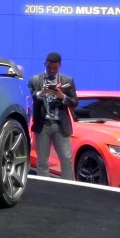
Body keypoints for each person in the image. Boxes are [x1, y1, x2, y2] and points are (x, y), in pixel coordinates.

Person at [28, 52, 78, 180]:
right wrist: (41, 93)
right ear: (45, 64)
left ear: (60, 65)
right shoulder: (35, 80)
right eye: (49, 67)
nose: (51, 70)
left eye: (55, 68)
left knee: (66, 159)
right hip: (42, 124)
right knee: (42, 160)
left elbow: (74, 103)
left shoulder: (67, 81)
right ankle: (44, 188)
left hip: (60, 125)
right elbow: (28, 98)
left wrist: (62, 96)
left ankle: (68, 188)